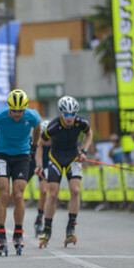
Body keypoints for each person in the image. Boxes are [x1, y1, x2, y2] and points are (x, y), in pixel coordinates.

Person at [0, 89, 41, 256]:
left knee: (18, 195)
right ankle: (1, 233)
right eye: (13, 110)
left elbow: (38, 128)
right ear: (9, 108)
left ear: (25, 108)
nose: (17, 114)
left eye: (20, 111)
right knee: (3, 194)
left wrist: (34, 145)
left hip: (22, 156)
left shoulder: (32, 116)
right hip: (1, 154)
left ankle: (18, 233)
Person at [35, 95, 93, 248]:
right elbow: (40, 144)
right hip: (56, 159)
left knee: (75, 190)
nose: (69, 117)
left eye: (72, 114)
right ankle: (47, 229)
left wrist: (84, 151)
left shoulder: (81, 122)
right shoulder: (53, 125)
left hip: (73, 157)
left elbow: (89, 133)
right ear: (61, 113)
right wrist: (39, 164)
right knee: (53, 194)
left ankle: (71, 227)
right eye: (66, 114)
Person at [33, 120, 51, 237]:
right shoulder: (37, 142)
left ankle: (41, 220)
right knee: (43, 192)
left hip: (48, 166)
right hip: (36, 165)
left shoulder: (55, 141)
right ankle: (39, 219)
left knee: (46, 192)